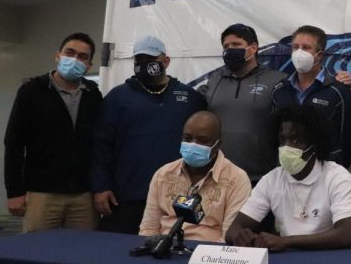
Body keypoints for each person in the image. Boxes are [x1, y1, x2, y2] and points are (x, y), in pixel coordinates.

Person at [91, 35, 206, 233]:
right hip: (127, 196)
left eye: (150, 60)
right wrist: (101, 186)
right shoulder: (117, 98)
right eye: (139, 60)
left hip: (177, 196)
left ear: (166, 61)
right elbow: (101, 146)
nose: (144, 64)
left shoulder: (191, 98)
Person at [4, 33, 103, 232]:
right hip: (42, 193)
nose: (75, 59)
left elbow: (99, 144)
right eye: (70, 52)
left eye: (82, 56)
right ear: (58, 56)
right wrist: (14, 191)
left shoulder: (93, 95)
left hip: (83, 195)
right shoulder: (32, 91)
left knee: (83, 254)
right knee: (36, 255)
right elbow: (14, 143)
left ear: (89, 65)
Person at [226, 106, 351, 250]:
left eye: (296, 141)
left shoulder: (337, 177)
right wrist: (239, 235)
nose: (286, 147)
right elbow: (233, 229)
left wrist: (286, 241)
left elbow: (347, 235)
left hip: (330, 261)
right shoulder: (271, 179)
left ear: (314, 145)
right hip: (288, 262)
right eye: (282, 140)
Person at [139, 111, 251, 243]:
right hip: (165, 251)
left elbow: (228, 237)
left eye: (203, 141)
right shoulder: (163, 174)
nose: (193, 144)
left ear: (218, 144)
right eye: (187, 138)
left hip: (208, 255)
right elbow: (148, 229)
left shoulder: (237, 179)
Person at [198, 23, 285, 185]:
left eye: (236, 45)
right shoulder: (214, 81)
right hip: (217, 176)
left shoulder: (277, 80)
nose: (230, 49)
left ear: (253, 48)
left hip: (261, 178)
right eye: (226, 46)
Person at [270, 25, 351, 169]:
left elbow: (349, 138)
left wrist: (336, 170)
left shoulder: (338, 91)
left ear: (319, 55)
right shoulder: (279, 91)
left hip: (325, 174)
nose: (299, 52)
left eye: (306, 47)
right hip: (286, 172)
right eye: (295, 47)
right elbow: (273, 136)